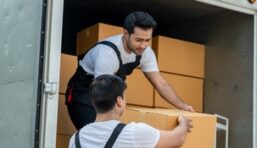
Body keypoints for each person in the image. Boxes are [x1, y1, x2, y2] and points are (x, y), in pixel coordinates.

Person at [65, 11, 194, 130]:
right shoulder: (107, 53)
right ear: (126, 33)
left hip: (108, 92)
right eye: (138, 40)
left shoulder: (145, 52)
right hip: (83, 94)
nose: (143, 45)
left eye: (147, 40)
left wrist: (182, 106)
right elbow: (103, 92)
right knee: (96, 136)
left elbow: (161, 83)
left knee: (111, 136)